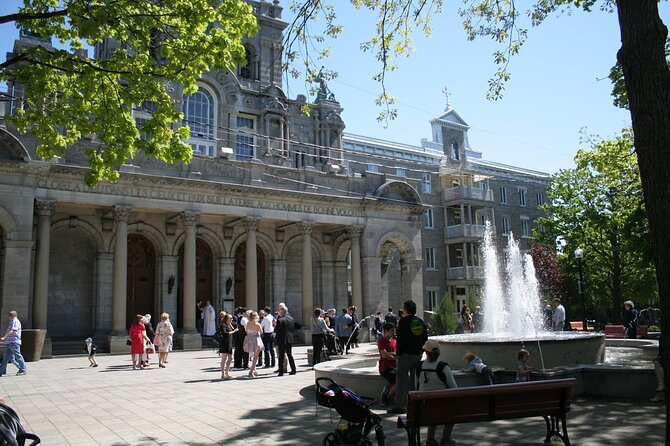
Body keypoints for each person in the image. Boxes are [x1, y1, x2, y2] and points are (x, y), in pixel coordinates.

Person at [417, 339, 457, 446]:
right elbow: (454, 388)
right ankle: (446, 438)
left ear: (426, 352)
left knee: (432, 412)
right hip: (443, 406)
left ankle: (430, 439)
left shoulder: (419, 366)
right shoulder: (443, 367)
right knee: (451, 413)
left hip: (424, 407)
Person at [391, 299, 428, 414]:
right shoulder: (421, 322)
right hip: (417, 355)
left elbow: (400, 339)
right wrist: (421, 352)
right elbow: (425, 339)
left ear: (406, 309)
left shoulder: (403, 322)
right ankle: (414, 403)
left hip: (405, 355)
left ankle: (400, 405)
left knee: (401, 380)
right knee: (414, 380)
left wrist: (398, 353)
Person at [0, 311, 27, 377]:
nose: (8, 317)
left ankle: (23, 369)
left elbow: (12, 331)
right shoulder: (12, 321)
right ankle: (2, 371)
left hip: (14, 342)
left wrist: (4, 337)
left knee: (18, 356)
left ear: (12, 315)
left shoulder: (15, 321)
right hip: (9, 342)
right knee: (5, 358)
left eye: (9, 315)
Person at [377, 322, 397, 407]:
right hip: (385, 368)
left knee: (401, 378)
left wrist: (390, 354)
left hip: (394, 368)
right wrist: (394, 357)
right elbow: (384, 355)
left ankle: (387, 390)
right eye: (392, 331)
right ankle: (385, 398)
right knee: (400, 379)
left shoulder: (395, 341)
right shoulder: (381, 341)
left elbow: (397, 353)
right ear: (386, 331)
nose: (394, 333)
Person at [275, 303, 296, 376]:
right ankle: (293, 369)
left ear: (282, 312)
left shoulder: (280, 320)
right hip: (289, 339)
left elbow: (277, 330)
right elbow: (293, 329)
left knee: (281, 355)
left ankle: (281, 371)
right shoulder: (291, 319)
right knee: (290, 354)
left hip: (282, 339)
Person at [243, 311, 264, 378]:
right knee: (255, 357)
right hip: (256, 339)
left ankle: (254, 370)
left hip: (249, 339)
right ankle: (251, 371)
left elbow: (246, 330)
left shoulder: (248, 323)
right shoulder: (257, 324)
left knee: (251, 355)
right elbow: (261, 332)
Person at [218, 313, 237, 379]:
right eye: (230, 318)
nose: (232, 319)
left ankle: (227, 373)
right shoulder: (223, 325)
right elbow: (225, 333)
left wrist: (232, 327)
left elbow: (234, 328)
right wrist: (233, 331)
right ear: (227, 319)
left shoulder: (229, 325)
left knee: (230, 358)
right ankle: (223, 374)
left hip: (229, 343)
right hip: (224, 343)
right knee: (224, 359)